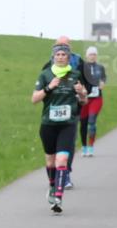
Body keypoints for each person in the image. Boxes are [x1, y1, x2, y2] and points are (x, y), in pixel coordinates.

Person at [32, 42, 89, 213]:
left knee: (62, 160)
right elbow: (34, 99)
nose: (61, 57)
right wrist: (49, 88)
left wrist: (81, 92)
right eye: (58, 55)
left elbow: (84, 101)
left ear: (69, 57)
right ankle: (52, 185)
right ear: (53, 57)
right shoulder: (45, 75)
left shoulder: (76, 75)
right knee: (50, 161)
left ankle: (58, 196)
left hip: (68, 124)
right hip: (48, 125)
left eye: (64, 54)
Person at [41, 37, 88, 187]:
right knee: (53, 150)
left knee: (68, 144)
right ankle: (55, 177)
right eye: (59, 46)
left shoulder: (79, 62)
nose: (62, 49)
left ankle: (65, 172)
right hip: (53, 109)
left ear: (70, 48)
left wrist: (81, 92)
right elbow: (42, 85)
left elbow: (85, 82)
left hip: (73, 107)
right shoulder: (49, 65)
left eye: (65, 46)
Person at [79, 46, 107, 156]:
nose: (92, 56)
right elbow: (77, 79)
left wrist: (103, 83)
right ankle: (84, 146)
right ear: (87, 55)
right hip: (84, 99)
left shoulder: (100, 67)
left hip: (96, 98)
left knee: (91, 122)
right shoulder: (81, 67)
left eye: (94, 54)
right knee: (83, 124)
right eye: (90, 54)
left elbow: (104, 77)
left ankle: (91, 146)